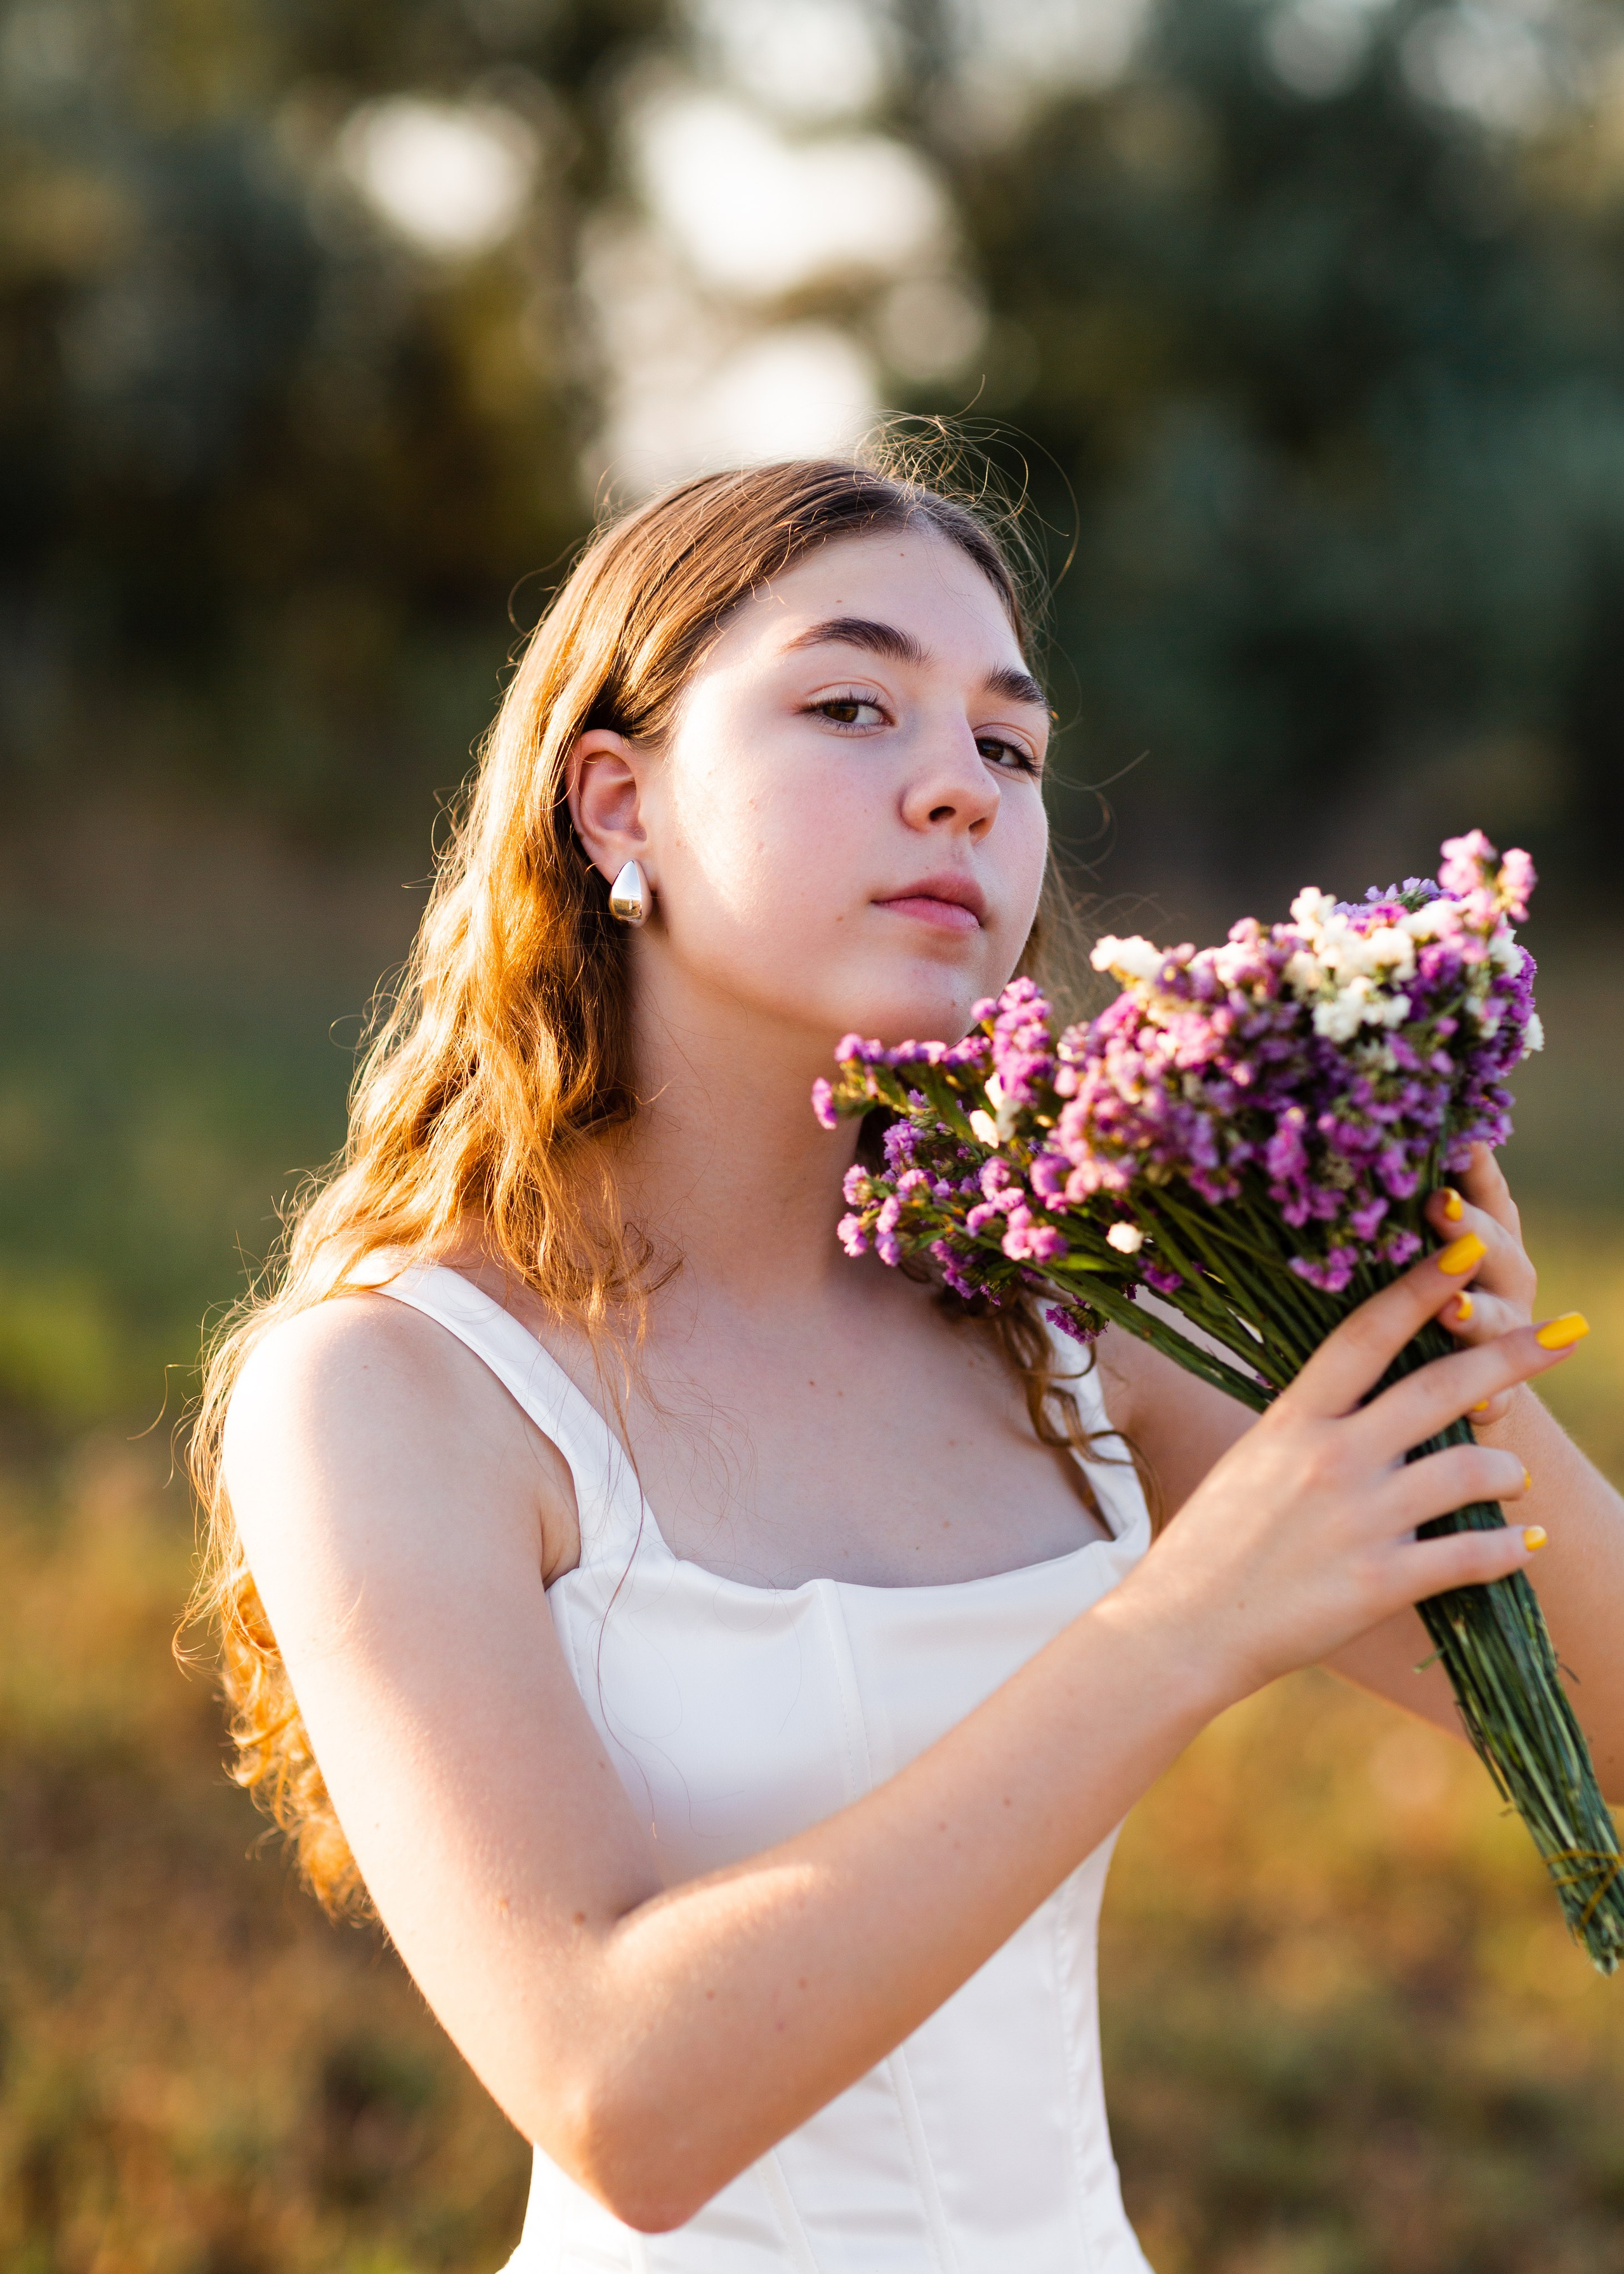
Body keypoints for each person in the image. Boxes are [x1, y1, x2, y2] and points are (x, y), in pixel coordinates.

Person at [193, 456, 1624, 2273]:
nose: (960, 786)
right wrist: (1183, 1633)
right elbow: (624, 2101)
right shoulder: (397, 1389)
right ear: (617, 805)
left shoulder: (1078, 1327)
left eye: (1010, 748)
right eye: (851, 705)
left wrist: (1462, 1378)